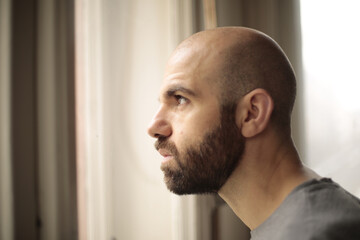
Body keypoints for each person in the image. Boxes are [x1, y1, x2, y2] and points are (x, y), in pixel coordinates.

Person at [147, 27, 360, 239]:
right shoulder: (299, 222)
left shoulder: (316, 232)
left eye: (180, 99)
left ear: (252, 113)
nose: (154, 127)